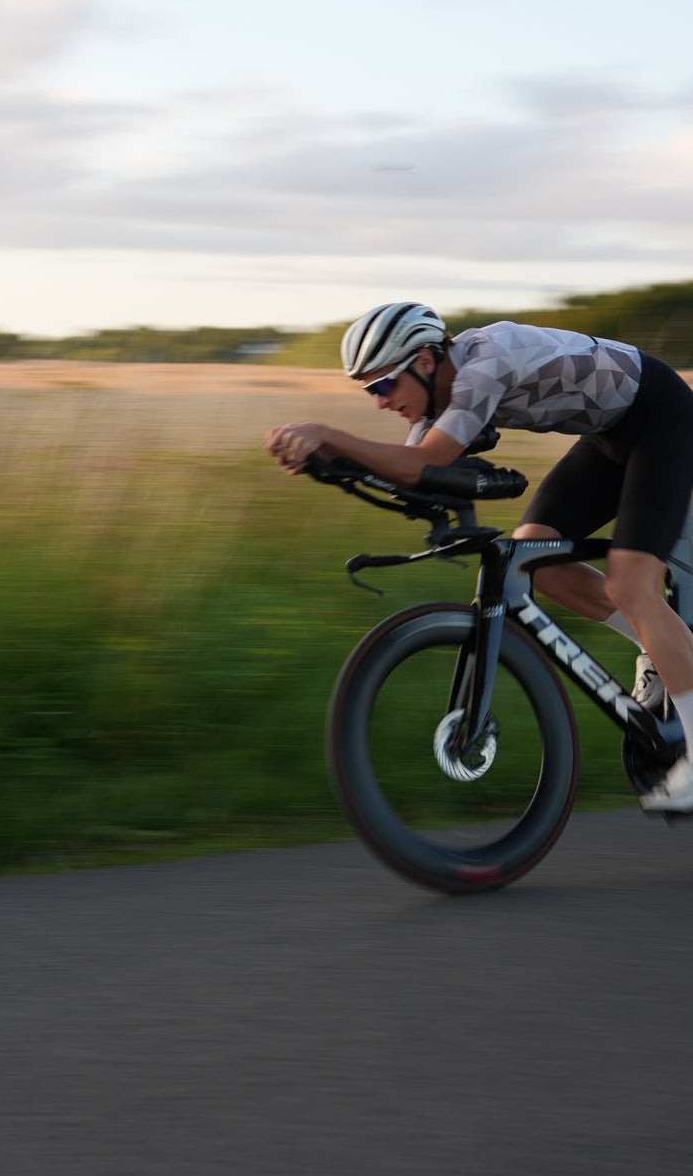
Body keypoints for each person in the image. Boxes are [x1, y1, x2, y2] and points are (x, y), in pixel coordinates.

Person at [265, 301, 693, 812]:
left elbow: (423, 463)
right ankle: (664, 643)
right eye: (369, 390)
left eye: (383, 386)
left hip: (662, 417)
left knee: (630, 584)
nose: (379, 402)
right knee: (536, 558)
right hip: (607, 438)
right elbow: (416, 478)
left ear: (425, 362)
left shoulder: (484, 363)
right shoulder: (438, 402)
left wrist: (331, 435)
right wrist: (328, 462)